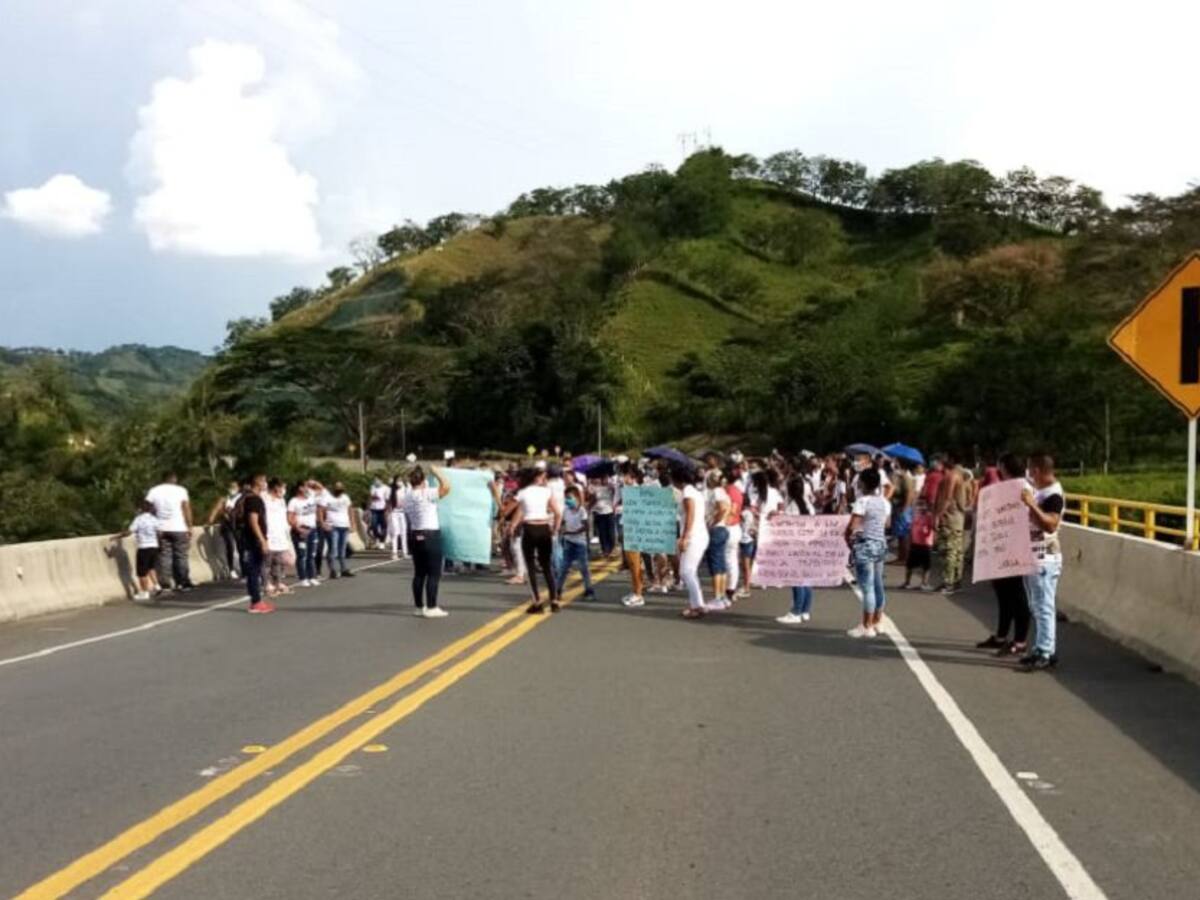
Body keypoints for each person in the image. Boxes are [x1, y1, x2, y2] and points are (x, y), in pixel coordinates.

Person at [976, 453, 1032, 657]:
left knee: (1017, 596)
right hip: (1001, 547)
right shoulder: (1004, 488)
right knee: (1004, 595)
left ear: (1005, 468)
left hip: (1016, 550)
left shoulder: (1023, 488)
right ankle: (1001, 636)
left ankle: (1020, 640)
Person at [1020, 452, 1065, 671]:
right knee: (1036, 606)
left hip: (1045, 558)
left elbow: (1051, 524)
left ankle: (1046, 652)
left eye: (1030, 469)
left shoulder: (1053, 495)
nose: (1029, 474)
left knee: (1044, 606)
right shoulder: (1040, 492)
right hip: (1034, 556)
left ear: (1037, 470)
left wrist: (1031, 505)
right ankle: (1040, 647)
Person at [510, 467, 564, 614]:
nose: (544, 479)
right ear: (537, 478)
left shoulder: (522, 492)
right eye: (543, 477)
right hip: (544, 527)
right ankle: (554, 600)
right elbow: (558, 513)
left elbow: (514, 509)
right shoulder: (547, 491)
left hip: (530, 528)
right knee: (546, 565)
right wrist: (555, 529)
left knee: (531, 566)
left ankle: (537, 601)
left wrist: (511, 524)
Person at [846, 467, 890, 638]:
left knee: (867, 587)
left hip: (865, 544)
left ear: (862, 483)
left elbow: (852, 526)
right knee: (878, 584)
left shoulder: (862, 502)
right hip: (880, 543)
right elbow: (886, 524)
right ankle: (878, 621)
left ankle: (866, 625)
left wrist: (849, 536)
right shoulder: (884, 502)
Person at [402, 465, 451, 617]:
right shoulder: (426, 493)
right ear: (423, 481)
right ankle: (431, 607)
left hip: (415, 534)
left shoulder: (407, 496)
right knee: (434, 573)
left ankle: (418, 606)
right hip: (430, 534)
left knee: (419, 574)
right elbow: (447, 487)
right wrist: (438, 473)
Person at [776, 474, 816, 625]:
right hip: (808, 545)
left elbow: (787, 525)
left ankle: (796, 611)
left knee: (796, 578)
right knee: (806, 579)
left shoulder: (793, 506)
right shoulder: (808, 505)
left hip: (795, 546)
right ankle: (805, 610)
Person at [146, 472, 195, 592]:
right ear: (174, 479)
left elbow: (148, 508)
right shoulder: (181, 490)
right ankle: (182, 582)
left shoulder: (154, 491)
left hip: (161, 529)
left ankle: (165, 583)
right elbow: (186, 508)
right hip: (179, 527)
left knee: (164, 556)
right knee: (181, 555)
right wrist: (189, 526)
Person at [674, 463, 710, 619]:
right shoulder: (694, 491)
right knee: (688, 571)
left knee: (687, 572)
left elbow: (690, 515)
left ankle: (698, 606)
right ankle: (696, 603)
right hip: (698, 534)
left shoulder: (688, 492)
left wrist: (685, 537)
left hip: (694, 536)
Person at [933, 451, 970, 593]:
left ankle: (948, 582)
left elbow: (947, 498)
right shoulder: (961, 476)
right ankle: (956, 581)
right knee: (956, 551)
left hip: (949, 518)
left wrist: (938, 516)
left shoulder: (952, 476)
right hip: (957, 519)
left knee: (948, 551)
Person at [240, 474, 275, 614]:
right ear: (258, 483)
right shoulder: (254, 499)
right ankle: (256, 602)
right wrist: (262, 540)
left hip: (249, 539)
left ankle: (256, 601)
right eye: (264, 481)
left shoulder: (246, 497)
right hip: (252, 540)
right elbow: (253, 521)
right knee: (254, 571)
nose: (266, 483)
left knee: (254, 571)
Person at [115, 500, 162, 601]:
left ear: (140, 509)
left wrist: (118, 536)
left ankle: (144, 592)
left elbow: (129, 532)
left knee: (142, 572)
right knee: (151, 567)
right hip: (154, 546)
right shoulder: (154, 519)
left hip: (144, 548)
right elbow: (160, 533)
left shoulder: (138, 520)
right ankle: (157, 585)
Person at [556, 485, 596, 600]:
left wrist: (571, 532)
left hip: (580, 543)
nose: (568, 500)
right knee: (564, 567)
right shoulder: (566, 510)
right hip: (569, 543)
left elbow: (585, 526)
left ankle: (589, 590)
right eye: (566, 498)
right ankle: (558, 590)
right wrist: (561, 530)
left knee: (583, 568)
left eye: (570, 498)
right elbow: (563, 523)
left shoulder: (582, 511)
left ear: (577, 497)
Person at [616, 463, 646, 608]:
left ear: (632, 476)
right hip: (627, 525)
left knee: (635, 562)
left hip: (634, 528)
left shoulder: (635, 490)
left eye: (625, 475)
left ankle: (639, 594)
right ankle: (635, 590)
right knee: (631, 561)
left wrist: (621, 507)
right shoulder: (626, 490)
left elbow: (637, 509)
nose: (623, 478)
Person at [704, 470, 731, 610]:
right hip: (723, 528)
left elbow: (723, 508)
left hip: (717, 529)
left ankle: (717, 597)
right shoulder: (723, 491)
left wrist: (712, 522)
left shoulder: (717, 492)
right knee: (721, 564)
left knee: (715, 565)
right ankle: (722, 596)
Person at [206, 480, 242, 578]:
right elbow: (215, 509)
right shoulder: (224, 498)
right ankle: (231, 569)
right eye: (230, 487)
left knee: (241, 546)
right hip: (227, 526)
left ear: (238, 488)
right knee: (230, 545)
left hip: (238, 526)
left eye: (234, 487)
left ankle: (244, 568)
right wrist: (210, 521)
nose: (232, 489)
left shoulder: (241, 498)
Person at [264, 478, 293, 596]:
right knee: (267, 562)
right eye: (282, 486)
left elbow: (284, 518)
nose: (283, 490)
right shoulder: (264, 499)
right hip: (269, 535)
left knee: (279, 562)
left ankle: (278, 583)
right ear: (275, 487)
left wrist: (287, 533)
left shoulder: (281, 501)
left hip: (281, 535)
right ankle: (267, 584)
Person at [320, 482, 356, 579]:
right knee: (333, 549)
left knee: (342, 549)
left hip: (344, 526)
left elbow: (350, 510)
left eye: (341, 488)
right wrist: (322, 523)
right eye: (337, 488)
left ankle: (343, 569)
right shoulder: (327, 497)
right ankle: (332, 570)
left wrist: (352, 524)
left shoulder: (345, 497)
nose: (339, 490)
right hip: (332, 526)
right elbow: (320, 510)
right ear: (333, 488)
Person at [288, 481, 320, 587]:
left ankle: (312, 576)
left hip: (313, 529)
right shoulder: (293, 501)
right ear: (300, 488)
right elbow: (289, 518)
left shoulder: (311, 497)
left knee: (312, 554)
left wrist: (312, 482)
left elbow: (321, 489)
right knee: (302, 555)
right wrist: (297, 528)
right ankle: (303, 577)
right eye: (305, 486)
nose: (307, 488)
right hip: (301, 530)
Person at [901, 498, 935, 591]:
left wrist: (931, 537)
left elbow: (933, 527)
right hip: (915, 543)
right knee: (910, 564)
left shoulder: (930, 516)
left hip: (926, 544)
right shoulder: (914, 516)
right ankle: (907, 582)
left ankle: (924, 583)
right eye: (919, 505)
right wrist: (910, 540)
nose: (921, 507)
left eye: (923, 505)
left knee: (926, 565)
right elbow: (911, 528)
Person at [589, 473, 618, 559]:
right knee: (602, 533)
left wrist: (612, 488)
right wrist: (589, 506)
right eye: (602, 479)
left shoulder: (610, 488)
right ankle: (605, 550)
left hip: (609, 512)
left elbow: (616, 496)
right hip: (599, 513)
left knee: (610, 532)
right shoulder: (596, 488)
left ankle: (612, 548)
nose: (604, 480)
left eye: (606, 478)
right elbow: (593, 500)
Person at [387, 475, 409, 560]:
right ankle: (394, 552)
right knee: (395, 532)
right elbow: (388, 502)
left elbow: (408, 498)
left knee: (404, 532)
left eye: (401, 480)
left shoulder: (405, 489)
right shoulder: (391, 490)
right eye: (398, 480)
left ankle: (404, 552)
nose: (399, 482)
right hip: (394, 513)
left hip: (402, 513)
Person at [368, 477, 391, 549]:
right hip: (374, 509)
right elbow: (370, 497)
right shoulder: (372, 487)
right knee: (374, 525)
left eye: (378, 480)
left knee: (384, 526)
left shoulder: (386, 488)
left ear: (381, 480)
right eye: (375, 480)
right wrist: (368, 508)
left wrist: (387, 510)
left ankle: (382, 541)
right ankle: (378, 537)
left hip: (382, 509)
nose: (376, 481)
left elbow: (387, 500)